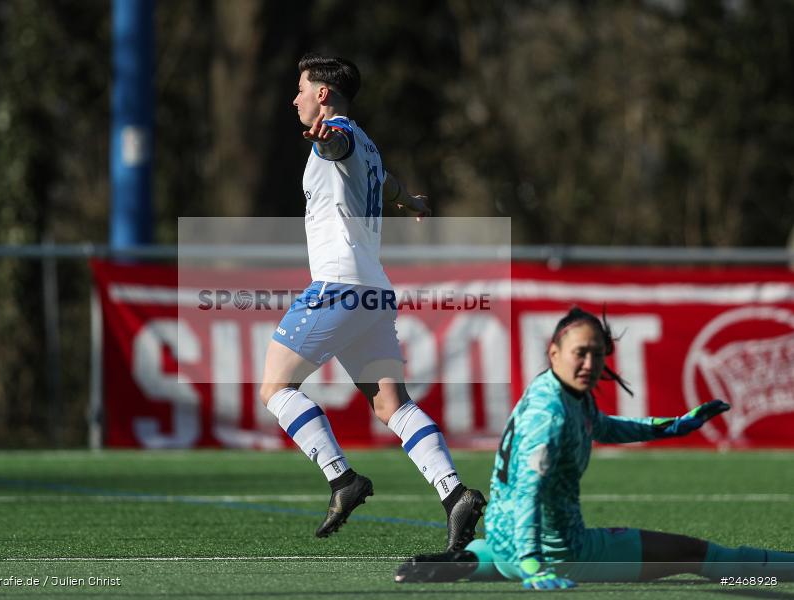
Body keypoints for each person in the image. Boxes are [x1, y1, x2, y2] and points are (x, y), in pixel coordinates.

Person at [258, 53, 486, 551]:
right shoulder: (370, 145)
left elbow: (335, 147)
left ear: (323, 94)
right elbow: (386, 183)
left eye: (301, 88)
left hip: (338, 287)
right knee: (392, 405)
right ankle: (455, 494)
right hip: (374, 292)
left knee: (275, 388)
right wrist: (412, 201)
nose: (294, 98)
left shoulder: (333, 138)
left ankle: (342, 480)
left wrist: (327, 138)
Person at [395, 307, 794, 589]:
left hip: (502, 544)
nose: (589, 363)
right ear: (554, 353)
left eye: (597, 355)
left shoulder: (557, 389)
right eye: (580, 354)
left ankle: (470, 564)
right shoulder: (550, 417)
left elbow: (601, 426)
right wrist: (535, 566)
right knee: (697, 556)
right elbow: (528, 494)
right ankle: (774, 573)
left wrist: (673, 426)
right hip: (561, 553)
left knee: (510, 555)